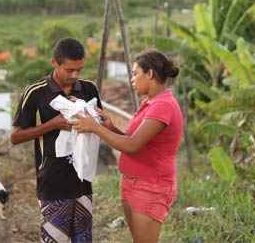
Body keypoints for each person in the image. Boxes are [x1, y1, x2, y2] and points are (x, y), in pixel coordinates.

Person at [71, 50, 183, 243]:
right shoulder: (149, 103)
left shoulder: (163, 106)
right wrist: (110, 127)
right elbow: (135, 142)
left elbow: (132, 145)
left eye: (135, 73)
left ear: (149, 74)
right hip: (132, 183)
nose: (131, 79)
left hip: (150, 186)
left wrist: (95, 128)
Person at [10, 38, 105, 243]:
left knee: (83, 239)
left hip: (82, 182)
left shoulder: (89, 89)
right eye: (69, 70)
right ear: (54, 63)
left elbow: (102, 126)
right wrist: (52, 125)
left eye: (79, 69)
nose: (75, 75)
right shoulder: (36, 92)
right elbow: (15, 136)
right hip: (52, 182)